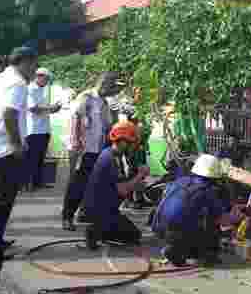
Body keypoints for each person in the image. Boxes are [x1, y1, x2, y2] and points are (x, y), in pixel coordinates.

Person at [0, 46, 37, 250]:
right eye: (33, 64)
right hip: (5, 150)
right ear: (25, 62)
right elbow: (9, 113)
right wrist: (16, 144)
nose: (34, 69)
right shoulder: (17, 83)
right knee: (2, 201)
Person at [62, 71, 123, 231]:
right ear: (105, 84)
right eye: (113, 87)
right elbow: (75, 118)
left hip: (98, 148)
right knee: (77, 183)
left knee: (92, 183)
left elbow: (109, 125)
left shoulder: (105, 102)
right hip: (83, 149)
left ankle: (84, 212)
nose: (115, 91)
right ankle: (67, 217)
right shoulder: (87, 97)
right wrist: (75, 143)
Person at [151, 154, 235, 266]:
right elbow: (222, 220)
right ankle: (186, 251)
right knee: (211, 225)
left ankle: (176, 247)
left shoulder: (180, 181)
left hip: (159, 228)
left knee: (194, 217)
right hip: (177, 232)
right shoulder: (206, 191)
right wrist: (238, 216)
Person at [84, 121, 149, 250]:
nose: (133, 147)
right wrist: (140, 175)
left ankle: (103, 230)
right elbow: (122, 190)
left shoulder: (113, 155)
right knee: (134, 236)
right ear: (123, 142)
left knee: (131, 233)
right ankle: (96, 230)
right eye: (132, 143)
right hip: (101, 210)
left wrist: (137, 183)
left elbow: (121, 184)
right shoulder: (112, 159)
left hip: (106, 207)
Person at [25, 68, 61, 190]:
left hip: (44, 128)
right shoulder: (30, 89)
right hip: (33, 129)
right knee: (32, 157)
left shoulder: (42, 90)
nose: (47, 82)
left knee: (40, 157)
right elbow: (33, 108)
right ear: (39, 77)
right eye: (46, 79)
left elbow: (42, 107)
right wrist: (51, 108)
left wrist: (53, 108)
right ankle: (29, 183)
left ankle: (38, 181)